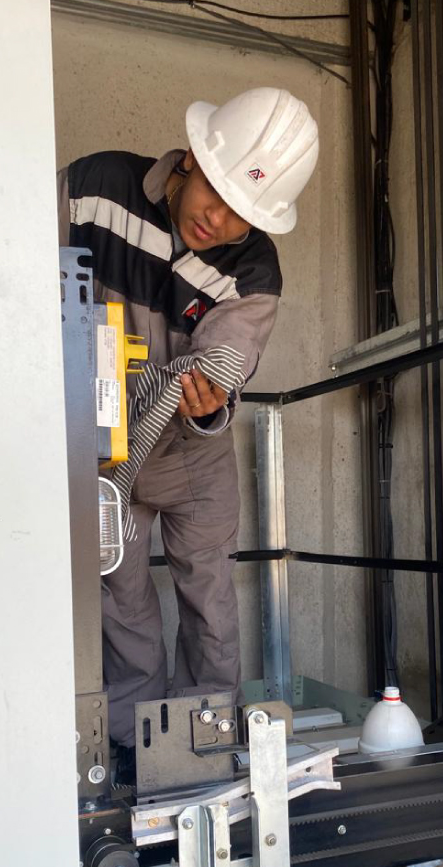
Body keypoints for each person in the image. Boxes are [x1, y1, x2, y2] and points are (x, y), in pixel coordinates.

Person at [57, 87, 319, 779]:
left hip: (194, 453)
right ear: (191, 160)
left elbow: (227, 354)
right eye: (216, 194)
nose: (219, 220)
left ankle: (203, 746)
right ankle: (130, 750)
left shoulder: (254, 268)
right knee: (121, 599)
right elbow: (18, 267)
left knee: (209, 599)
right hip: (105, 448)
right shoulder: (94, 190)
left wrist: (207, 394)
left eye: (242, 214)